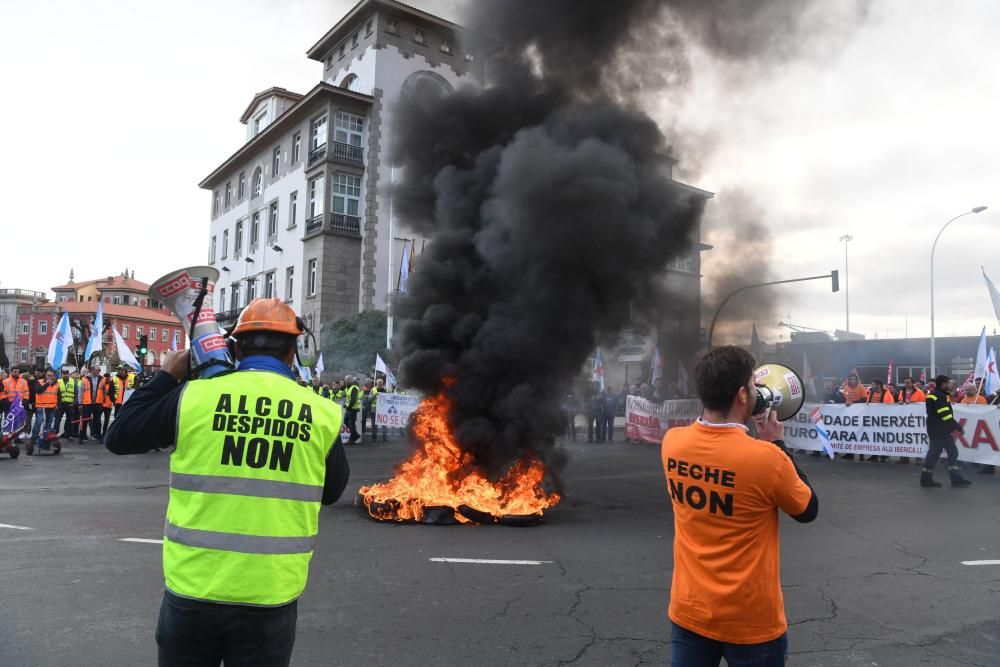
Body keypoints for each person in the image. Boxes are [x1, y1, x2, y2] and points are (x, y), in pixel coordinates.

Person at [104, 297, 350, 667]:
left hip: (192, 589)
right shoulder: (322, 412)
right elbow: (332, 493)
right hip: (268, 594)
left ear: (235, 347)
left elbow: (119, 436)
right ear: (292, 352)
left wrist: (168, 375)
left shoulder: (192, 397)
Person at [662, 346, 817, 666]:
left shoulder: (672, 443)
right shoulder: (768, 459)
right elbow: (808, 509)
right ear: (742, 396)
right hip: (751, 622)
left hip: (690, 610)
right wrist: (777, 443)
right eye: (751, 385)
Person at [921, 375, 971, 488]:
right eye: (949, 383)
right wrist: (959, 428)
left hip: (937, 429)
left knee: (950, 452)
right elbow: (945, 416)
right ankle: (926, 478)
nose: (951, 385)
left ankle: (955, 478)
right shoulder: (940, 396)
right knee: (936, 453)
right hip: (939, 430)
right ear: (943, 384)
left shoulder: (935, 395)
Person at [30, 370, 59, 448]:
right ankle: (34, 437)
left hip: (51, 406)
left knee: (49, 423)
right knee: (39, 421)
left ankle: (45, 438)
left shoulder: (57, 384)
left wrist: (57, 404)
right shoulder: (39, 382)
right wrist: (47, 384)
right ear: (45, 375)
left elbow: (58, 395)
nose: (49, 377)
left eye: (51, 376)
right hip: (41, 405)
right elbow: (38, 391)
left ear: (53, 376)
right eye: (48, 375)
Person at [79, 366, 107, 444]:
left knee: (97, 420)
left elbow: (105, 390)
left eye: (99, 370)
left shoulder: (102, 379)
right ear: (92, 370)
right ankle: (82, 435)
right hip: (87, 403)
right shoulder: (85, 379)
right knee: (85, 420)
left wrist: (103, 399)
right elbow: (81, 392)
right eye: (97, 370)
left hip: (98, 403)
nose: (98, 371)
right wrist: (80, 403)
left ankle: (97, 435)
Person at [55, 369, 80, 439]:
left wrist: (74, 403)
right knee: (57, 420)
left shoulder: (73, 382)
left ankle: (69, 435)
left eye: (66, 373)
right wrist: (57, 404)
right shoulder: (58, 382)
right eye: (64, 373)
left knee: (70, 420)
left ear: (68, 374)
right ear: (61, 374)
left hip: (70, 404)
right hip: (60, 404)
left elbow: (76, 394)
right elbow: (55, 393)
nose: (65, 375)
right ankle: (55, 434)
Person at [343, 375, 361, 444]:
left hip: (353, 409)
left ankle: (352, 438)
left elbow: (353, 399)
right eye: (346, 380)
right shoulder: (348, 387)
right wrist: (345, 404)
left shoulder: (354, 387)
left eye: (347, 380)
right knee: (346, 422)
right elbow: (348, 398)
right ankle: (355, 435)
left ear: (351, 380)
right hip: (349, 408)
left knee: (351, 423)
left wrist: (348, 407)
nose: (346, 381)